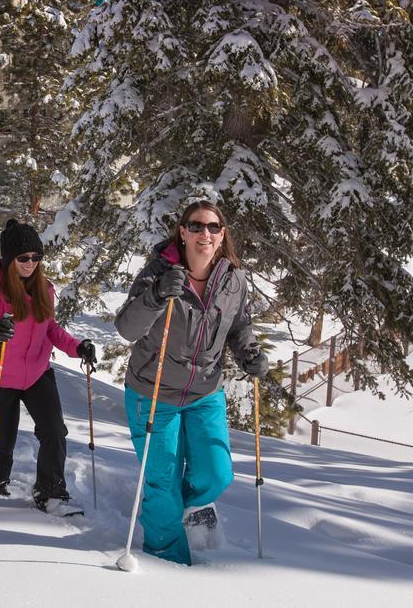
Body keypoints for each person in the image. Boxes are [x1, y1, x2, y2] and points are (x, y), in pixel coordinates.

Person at [115, 200, 268, 566]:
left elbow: (238, 326)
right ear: (182, 231)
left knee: (217, 473)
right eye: (196, 226)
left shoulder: (234, 279)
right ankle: (167, 563)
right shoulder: (159, 272)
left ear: (222, 234)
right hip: (153, 392)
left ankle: (169, 509)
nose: (205, 234)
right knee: (162, 480)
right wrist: (155, 295)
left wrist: (249, 352)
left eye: (213, 227)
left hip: (204, 392)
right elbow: (127, 328)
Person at [0, 219, 98, 515]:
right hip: (0, 377)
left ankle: (51, 493)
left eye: (36, 257)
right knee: (3, 441)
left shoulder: (45, 288)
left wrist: (77, 346)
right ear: (9, 259)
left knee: (54, 431)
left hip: (37, 374)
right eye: (23, 258)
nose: (30, 263)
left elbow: (50, 328)